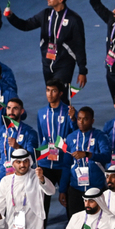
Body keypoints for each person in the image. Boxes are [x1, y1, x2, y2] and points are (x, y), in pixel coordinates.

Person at [5, 0, 88, 86]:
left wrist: (82, 70)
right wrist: (11, 16)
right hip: (47, 64)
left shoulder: (74, 20)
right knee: (51, 97)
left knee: (60, 96)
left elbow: (79, 45)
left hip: (64, 65)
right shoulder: (45, 14)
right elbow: (26, 25)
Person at [58, 107, 112, 219]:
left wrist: (88, 154)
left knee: (98, 222)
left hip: (96, 188)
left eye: (85, 119)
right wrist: (62, 190)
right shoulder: (71, 137)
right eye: (79, 119)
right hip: (75, 189)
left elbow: (107, 157)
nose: (81, 122)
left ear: (92, 121)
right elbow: (66, 166)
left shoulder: (100, 137)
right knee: (75, 222)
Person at [35, 80, 77, 220]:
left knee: (69, 202)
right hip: (46, 164)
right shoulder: (41, 112)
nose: (49, 94)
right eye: (47, 90)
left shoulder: (68, 112)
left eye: (53, 91)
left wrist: (73, 119)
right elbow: (42, 137)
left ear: (60, 93)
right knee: (42, 204)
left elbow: (76, 135)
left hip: (64, 164)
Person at [0, 99, 40, 180]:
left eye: (15, 108)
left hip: (23, 179)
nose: (11, 111)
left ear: (22, 111)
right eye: (8, 108)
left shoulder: (30, 133)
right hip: (2, 179)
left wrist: (17, 147)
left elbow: (32, 158)